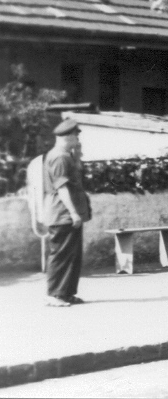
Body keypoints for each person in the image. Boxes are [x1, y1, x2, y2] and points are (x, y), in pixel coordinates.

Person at [42, 119, 91, 307]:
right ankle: (54, 294)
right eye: (76, 135)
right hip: (63, 214)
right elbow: (62, 188)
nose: (77, 139)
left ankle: (66, 293)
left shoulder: (66, 156)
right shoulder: (59, 157)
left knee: (72, 256)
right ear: (68, 136)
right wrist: (73, 213)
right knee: (61, 255)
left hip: (68, 215)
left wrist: (77, 156)